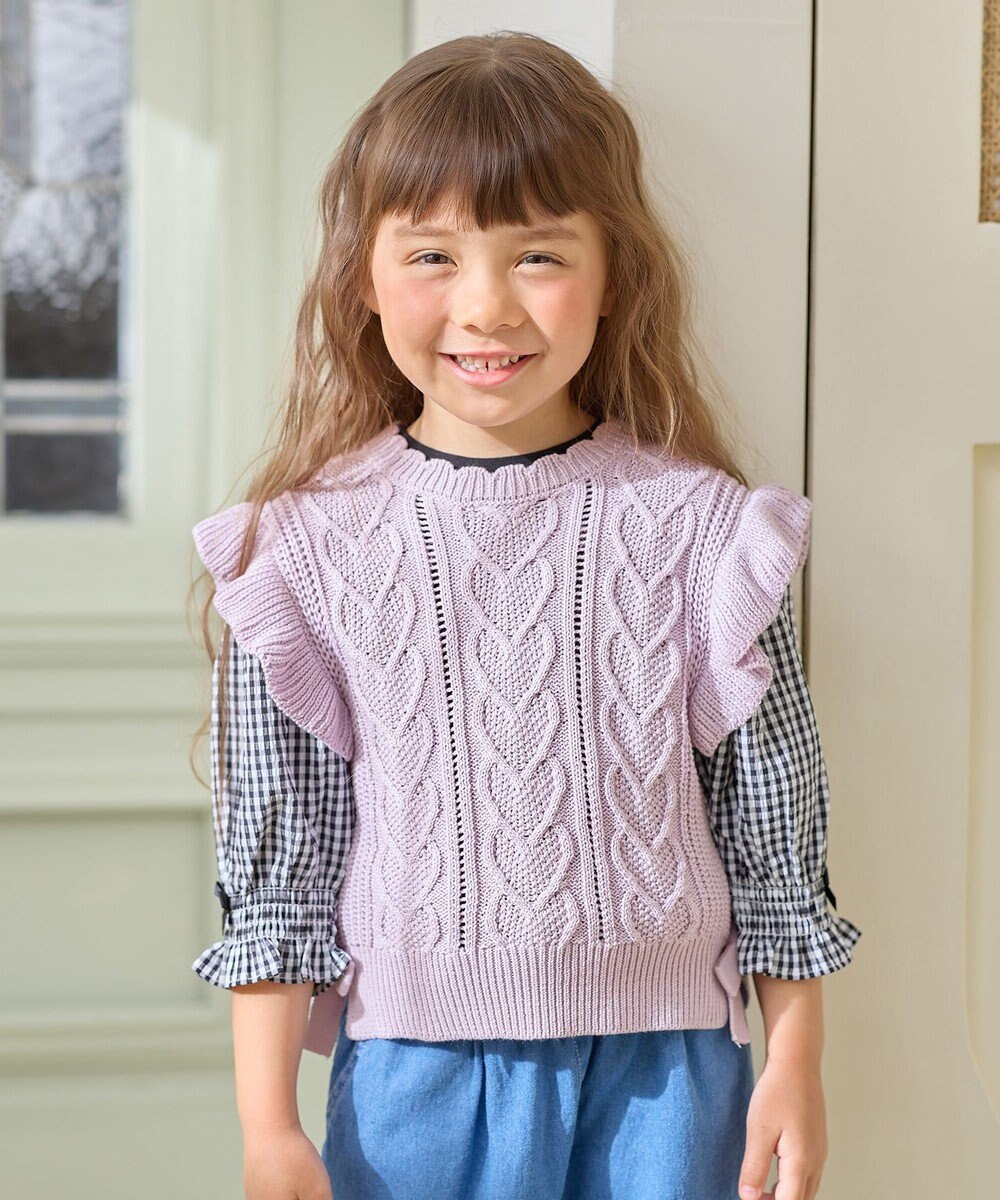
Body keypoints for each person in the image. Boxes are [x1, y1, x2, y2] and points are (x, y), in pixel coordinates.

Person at [187, 29, 862, 1200]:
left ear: (614, 274)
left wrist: (795, 1062)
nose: (486, 306)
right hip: (413, 1076)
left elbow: (774, 836)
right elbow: (282, 864)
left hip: (669, 1075)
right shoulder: (297, 552)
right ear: (362, 276)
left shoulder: (708, 533)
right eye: (432, 255)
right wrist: (267, 1124)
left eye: (538, 254)